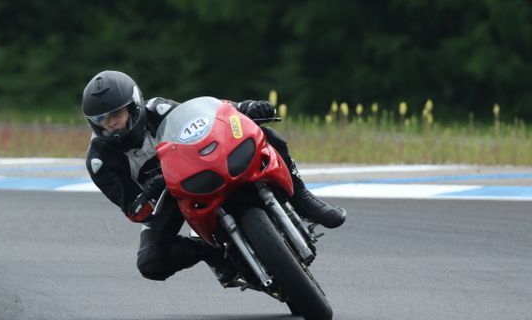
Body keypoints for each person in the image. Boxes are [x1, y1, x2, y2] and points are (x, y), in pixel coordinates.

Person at [83, 70, 345, 286]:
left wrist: (244, 108)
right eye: (103, 119)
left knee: (267, 136)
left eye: (116, 114)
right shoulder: (99, 162)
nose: (111, 123)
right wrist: (151, 189)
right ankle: (210, 252)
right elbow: (134, 210)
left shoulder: (158, 109)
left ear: (134, 107)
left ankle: (302, 198)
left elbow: (206, 116)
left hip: (196, 168)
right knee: (150, 262)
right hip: (167, 199)